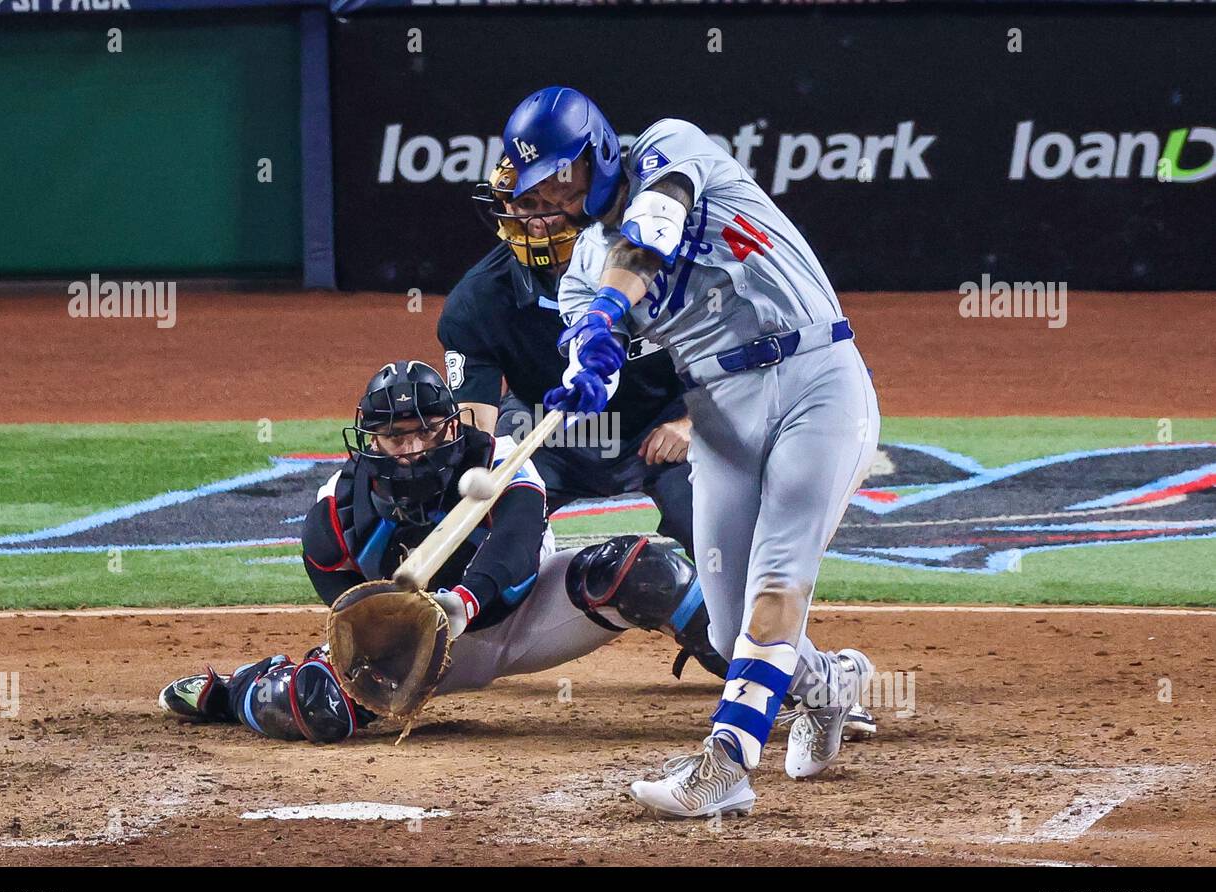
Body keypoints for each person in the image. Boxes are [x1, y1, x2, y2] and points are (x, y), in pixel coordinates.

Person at [499, 87, 883, 817]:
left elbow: (655, 224)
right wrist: (588, 366)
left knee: (779, 577)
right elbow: (594, 342)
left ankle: (725, 764)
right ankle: (831, 684)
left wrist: (613, 307)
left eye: (556, 173)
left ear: (597, 152)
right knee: (729, 623)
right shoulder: (583, 267)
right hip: (719, 414)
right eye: (533, 184)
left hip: (817, 379)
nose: (545, 195)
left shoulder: (669, 148)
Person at [157, 360, 726, 740]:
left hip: (529, 615)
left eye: (426, 431)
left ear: (451, 427)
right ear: (371, 440)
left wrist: (460, 603)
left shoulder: (500, 461)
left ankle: (756, 672)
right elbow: (347, 607)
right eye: (394, 435)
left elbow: (514, 551)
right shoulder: (337, 511)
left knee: (648, 573)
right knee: (312, 704)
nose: (411, 448)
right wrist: (385, 642)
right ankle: (235, 693)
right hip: (418, 652)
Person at [438, 157, 702, 638]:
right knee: (475, 521)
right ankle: (467, 629)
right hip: (550, 430)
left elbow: (728, 354)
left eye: (551, 205)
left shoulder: (655, 266)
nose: (536, 220)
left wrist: (692, 423)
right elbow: (472, 435)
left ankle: (730, 639)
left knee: (716, 524)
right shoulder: (474, 304)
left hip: (660, 429)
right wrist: (481, 488)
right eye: (524, 204)